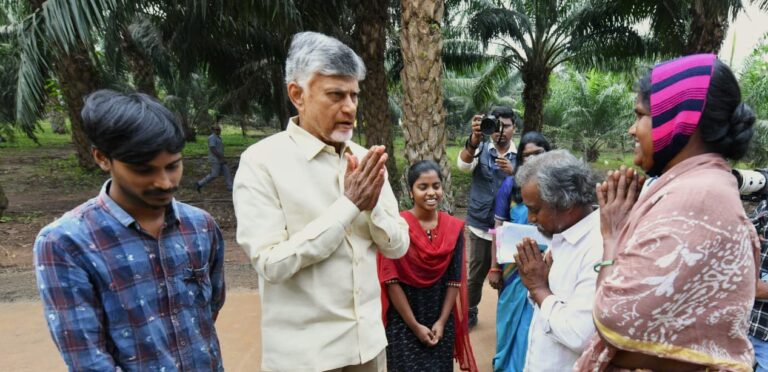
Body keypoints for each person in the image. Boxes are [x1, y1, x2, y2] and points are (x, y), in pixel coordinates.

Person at [232, 31, 409, 371]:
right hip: (305, 359)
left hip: (368, 348)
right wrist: (349, 206)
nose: (350, 108)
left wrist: (373, 210)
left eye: (354, 95)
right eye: (336, 95)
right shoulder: (262, 162)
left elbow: (398, 247)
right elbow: (271, 264)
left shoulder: (365, 160)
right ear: (297, 94)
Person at [576, 54, 760, 371]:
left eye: (641, 115)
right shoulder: (700, 185)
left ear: (680, 118)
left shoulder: (697, 196)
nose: (633, 130)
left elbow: (614, 317)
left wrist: (613, 235)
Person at [34, 90, 226, 371]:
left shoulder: (201, 226)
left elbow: (210, 309)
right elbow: (87, 358)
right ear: (102, 158)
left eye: (173, 166)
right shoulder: (65, 243)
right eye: (143, 170)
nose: (164, 182)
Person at [505, 149, 602, 371]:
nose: (530, 219)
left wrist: (538, 288)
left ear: (566, 204)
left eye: (535, 209)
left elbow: (580, 336)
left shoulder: (598, 245)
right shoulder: (561, 233)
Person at [378, 160, 478, 372]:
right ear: (411, 191)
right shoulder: (397, 227)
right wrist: (414, 326)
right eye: (423, 187)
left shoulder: (453, 228)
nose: (431, 192)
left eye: (436, 186)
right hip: (404, 322)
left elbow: (454, 280)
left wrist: (442, 321)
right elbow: (391, 281)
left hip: (440, 320)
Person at [488, 131, 551, 371]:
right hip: (513, 269)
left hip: (548, 267)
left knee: (536, 323)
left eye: (539, 154)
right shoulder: (510, 186)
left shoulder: (558, 186)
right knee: (509, 323)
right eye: (527, 156)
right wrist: (494, 266)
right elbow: (498, 228)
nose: (533, 160)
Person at [457, 107, 519, 327]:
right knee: (476, 274)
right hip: (481, 225)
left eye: (507, 126)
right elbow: (463, 166)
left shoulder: (520, 156)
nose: (501, 132)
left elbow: (529, 185)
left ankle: (507, 316)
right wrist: (474, 139)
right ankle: (470, 311)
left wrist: (515, 173)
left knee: (508, 274)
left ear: (514, 128)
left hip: (508, 228)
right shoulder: (480, 148)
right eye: (497, 126)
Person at [196, 119, 233, 192]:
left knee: (227, 172)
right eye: (217, 130)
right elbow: (213, 149)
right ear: (213, 130)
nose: (219, 131)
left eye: (219, 130)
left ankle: (230, 187)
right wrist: (220, 158)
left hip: (221, 158)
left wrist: (222, 158)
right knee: (214, 174)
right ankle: (200, 183)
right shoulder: (212, 137)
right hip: (215, 159)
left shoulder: (219, 138)